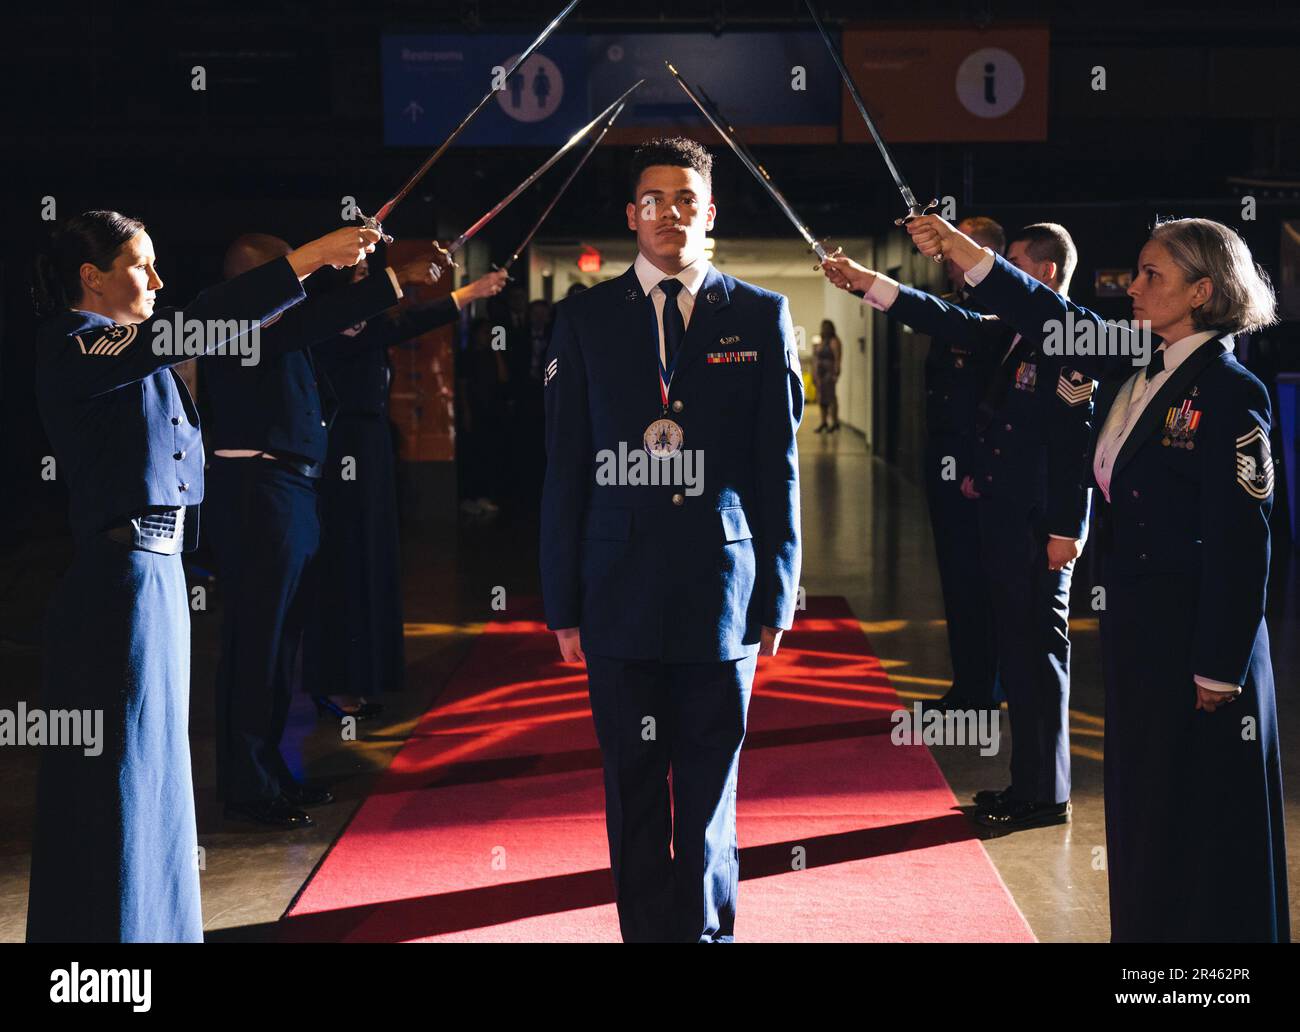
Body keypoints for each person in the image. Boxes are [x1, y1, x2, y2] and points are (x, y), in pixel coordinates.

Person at [907, 212, 1288, 941]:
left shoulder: (1232, 392)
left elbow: (1245, 544)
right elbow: (1053, 314)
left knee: (1204, 828)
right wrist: (967, 254)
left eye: (1153, 277)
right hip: (1142, 632)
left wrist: (1217, 667)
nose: (1134, 288)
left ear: (1202, 292)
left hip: (1200, 647)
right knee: (1147, 815)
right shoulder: (1142, 359)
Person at [27, 210, 375, 941]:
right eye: (138, 265)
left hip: (158, 576)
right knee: (118, 783)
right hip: (116, 586)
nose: (156, 279)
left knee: (159, 780)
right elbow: (200, 323)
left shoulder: (131, 353)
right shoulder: (73, 345)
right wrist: (310, 257)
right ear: (91, 276)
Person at [541, 137, 803, 942]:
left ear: (711, 211)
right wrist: (561, 604)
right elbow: (562, 471)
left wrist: (780, 590)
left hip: (719, 592)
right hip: (614, 590)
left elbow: (778, 468)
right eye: (653, 199)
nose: (670, 212)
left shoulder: (759, 315)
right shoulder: (583, 318)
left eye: (687, 197)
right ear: (632, 215)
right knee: (631, 784)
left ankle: (708, 934)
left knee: (709, 787)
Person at [824, 223, 1094, 831]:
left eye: (1015, 262)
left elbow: (1073, 446)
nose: (1001, 268)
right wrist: (869, 283)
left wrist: (1066, 528)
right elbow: (944, 317)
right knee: (1020, 657)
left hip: (1037, 530)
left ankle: (1045, 793)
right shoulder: (1013, 332)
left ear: (1045, 273)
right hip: (1004, 520)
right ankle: (1030, 785)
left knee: (1037, 658)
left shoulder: (1073, 334)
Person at [205, 233, 453, 829]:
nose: (301, 287)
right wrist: (393, 280)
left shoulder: (283, 324)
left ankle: (267, 773)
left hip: (290, 489)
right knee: (255, 649)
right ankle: (245, 785)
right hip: (256, 492)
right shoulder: (234, 316)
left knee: (280, 646)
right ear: (253, 279)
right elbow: (321, 319)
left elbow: (324, 326)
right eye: (288, 275)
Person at [305, 258, 506, 717]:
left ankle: (363, 676)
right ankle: (336, 683)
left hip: (370, 441)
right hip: (340, 444)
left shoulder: (362, 322)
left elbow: (405, 321)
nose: (365, 287)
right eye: (357, 279)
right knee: (345, 558)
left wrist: (472, 291)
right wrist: (447, 288)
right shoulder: (322, 320)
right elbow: (400, 319)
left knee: (372, 556)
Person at [812, 319, 842, 433]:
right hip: (820, 374)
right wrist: (815, 373)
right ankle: (824, 422)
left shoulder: (834, 341)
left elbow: (838, 358)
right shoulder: (821, 341)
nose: (824, 329)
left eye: (826, 327)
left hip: (829, 373)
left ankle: (835, 422)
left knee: (831, 398)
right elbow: (816, 357)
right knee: (821, 398)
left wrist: (836, 372)